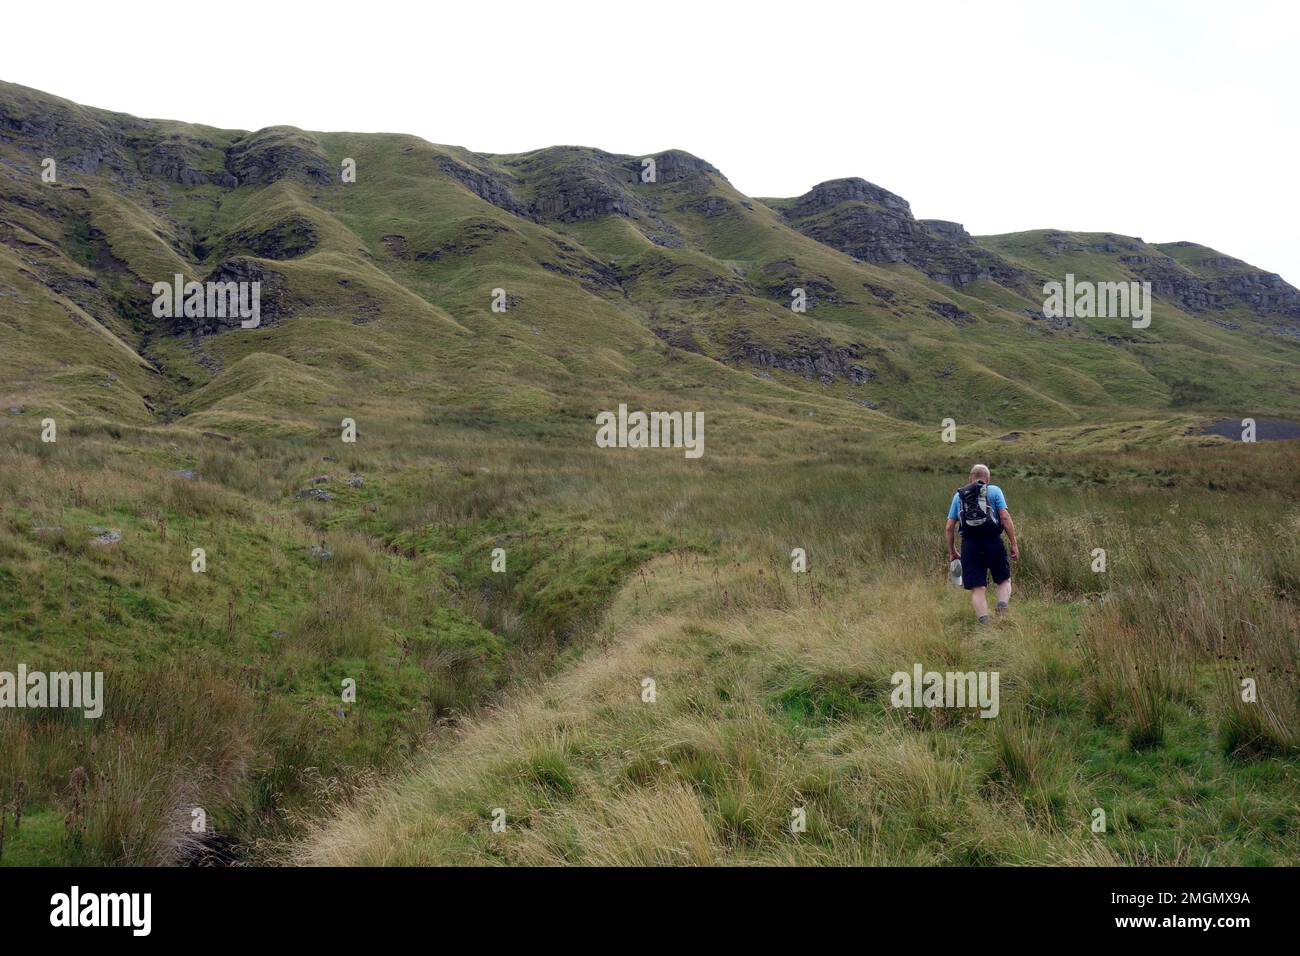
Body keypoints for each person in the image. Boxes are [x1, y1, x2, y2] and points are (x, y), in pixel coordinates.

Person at [945, 464, 1019, 624]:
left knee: (977, 588)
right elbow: (1005, 517)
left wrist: (952, 552)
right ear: (988, 479)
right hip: (993, 541)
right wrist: (1014, 543)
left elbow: (949, 527)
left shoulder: (959, 497)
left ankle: (985, 624)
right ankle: (1001, 606)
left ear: (970, 478)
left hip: (970, 545)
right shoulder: (994, 491)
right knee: (1004, 580)